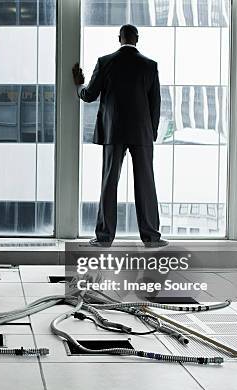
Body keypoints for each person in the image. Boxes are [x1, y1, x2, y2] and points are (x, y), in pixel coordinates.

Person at [73, 24, 168, 248]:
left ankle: (105, 237)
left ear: (119, 38)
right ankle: (152, 237)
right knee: (146, 183)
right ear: (137, 39)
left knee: (109, 183)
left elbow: (89, 95)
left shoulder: (105, 62)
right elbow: (156, 104)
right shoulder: (150, 66)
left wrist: (78, 85)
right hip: (141, 133)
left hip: (113, 131)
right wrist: (150, 132)